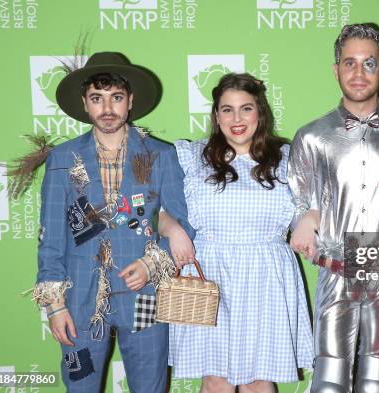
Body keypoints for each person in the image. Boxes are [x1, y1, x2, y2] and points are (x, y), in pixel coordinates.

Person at [33, 52, 195, 392]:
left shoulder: (160, 155)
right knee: (80, 385)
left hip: (145, 294)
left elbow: (181, 221)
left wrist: (154, 263)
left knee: (150, 386)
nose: (107, 108)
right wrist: (55, 306)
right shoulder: (63, 159)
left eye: (116, 98)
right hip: (78, 299)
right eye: (97, 98)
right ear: (85, 103)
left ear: (130, 101)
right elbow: (50, 239)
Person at [288, 23, 379, 393]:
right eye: (349, 63)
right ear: (335, 69)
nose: (358, 73)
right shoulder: (311, 136)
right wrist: (303, 222)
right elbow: (300, 202)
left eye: (369, 64)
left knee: (376, 379)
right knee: (329, 380)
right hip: (336, 271)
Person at [159, 73, 314, 393]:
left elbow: (322, 199)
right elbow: (155, 208)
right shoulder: (191, 157)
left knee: (259, 380)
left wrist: (312, 217)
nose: (237, 118)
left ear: (260, 112)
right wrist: (173, 229)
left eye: (246, 108)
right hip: (210, 273)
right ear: (216, 116)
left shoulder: (287, 158)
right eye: (227, 109)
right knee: (215, 379)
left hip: (266, 275)